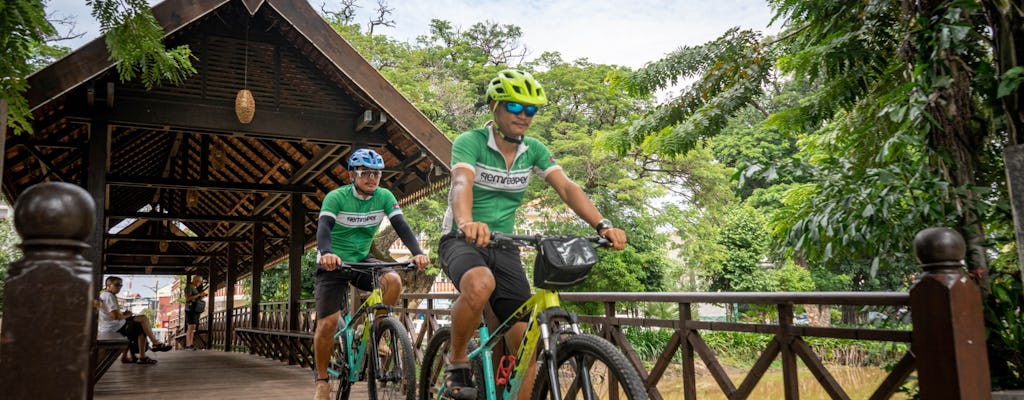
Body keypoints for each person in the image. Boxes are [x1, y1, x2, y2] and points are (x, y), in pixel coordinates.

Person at [438, 69, 628, 400]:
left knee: (524, 340)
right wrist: (467, 221)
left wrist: (603, 225)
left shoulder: (534, 149)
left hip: (505, 245)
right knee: (480, 284)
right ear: (494, 106)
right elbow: (461, 183)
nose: (523, 115)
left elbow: (567, 188)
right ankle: (457, 360)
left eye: (531, 109)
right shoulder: (471, 142)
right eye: (515, 106)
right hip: (462, 238)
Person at [312, 148, 431, 400]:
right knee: (327, 324)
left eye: (376, 173)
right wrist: (326, 253)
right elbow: (324, 228)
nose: (371, 178)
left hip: (362, 259)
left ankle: (376, 334)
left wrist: (417, 252)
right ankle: (322, 381)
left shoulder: (384, 196)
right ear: (351, 175)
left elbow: (401, 226)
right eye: (365, 173)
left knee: (393, 281)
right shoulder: (336, 197)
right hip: (333, 262)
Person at [97, 276, 173, 364]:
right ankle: (151, 347)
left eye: (121, 285)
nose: (119, 287)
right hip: (114, 326)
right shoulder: (108, 296)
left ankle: (130, 356)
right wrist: (127, 315)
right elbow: (115, 316)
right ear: (108, 285)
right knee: (142, 322)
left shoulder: (106, 295)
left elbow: (111, 314)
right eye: (117, 285)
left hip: (111, 325)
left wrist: (123, 314)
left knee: (140, 323)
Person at [183, 275, 207, 350]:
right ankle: (188, 345)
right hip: (190, 309)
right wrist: (199, 294)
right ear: (196, 281)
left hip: (195, 309)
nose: (200, 284)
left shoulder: (194, 287)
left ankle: (191, 344)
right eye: (200, 282)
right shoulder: (189, 287)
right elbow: (188, 298)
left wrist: (201, 296)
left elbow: (195, 297)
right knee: (191, 326)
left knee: (193, 327)